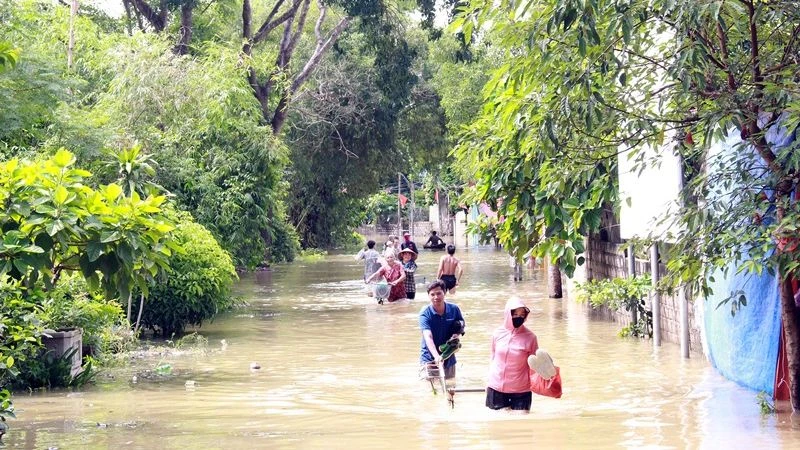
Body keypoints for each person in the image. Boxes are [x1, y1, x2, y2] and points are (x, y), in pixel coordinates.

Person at [486, 297, 539, 412]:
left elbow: (535, 365)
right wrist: (488, 382)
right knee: (497, 425)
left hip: (521, 390)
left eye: (522, 314)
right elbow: (493, 358)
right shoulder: (497, 333)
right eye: (515, 314)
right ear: (508, 314)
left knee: (521, 425)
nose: (518, 317)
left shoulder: (531, 337)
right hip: (496, 387)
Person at [419, 280, 465, 380]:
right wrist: (436, 357)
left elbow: (460, 326)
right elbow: (428, 337)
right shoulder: (425, 313)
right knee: (431, 390)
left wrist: (456, 335)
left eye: (439, 293)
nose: (436, 297)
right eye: (432, 294)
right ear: (429, 296)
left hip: (449, 357)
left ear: (444, 293)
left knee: (450, 387)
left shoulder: (454, 309)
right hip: (429, 359)